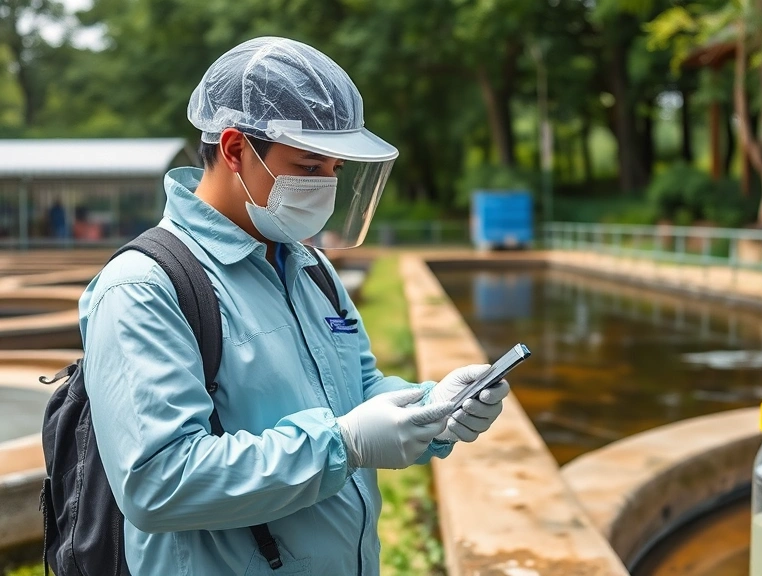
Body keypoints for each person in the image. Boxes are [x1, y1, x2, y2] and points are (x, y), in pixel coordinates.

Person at [79, 36, 509, 575]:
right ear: (234, 150)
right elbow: (159, 482)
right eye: (308, 167)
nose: (325, 187)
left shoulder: (309, 267)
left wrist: (436, 408)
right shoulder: (145, 287)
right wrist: (343, 445)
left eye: (335, 169)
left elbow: (357, 386)